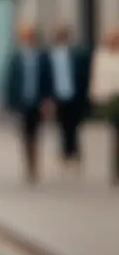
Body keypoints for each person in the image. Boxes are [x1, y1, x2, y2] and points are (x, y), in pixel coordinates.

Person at [3, 23, 52, 183]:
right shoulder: (17, 58)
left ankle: (35, 164)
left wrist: (48, 99)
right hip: (22, 101)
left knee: (36, 133)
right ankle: (28, 163)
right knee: (25, 134)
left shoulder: (42, 57)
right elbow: (11, 81)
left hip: (37, 101)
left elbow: (48, 80)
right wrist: (10, 103)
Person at [46, 24, 92, 174]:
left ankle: (74, 152)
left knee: (74, 125)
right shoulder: (51, 55)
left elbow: (84, 76)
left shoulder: (76, 54)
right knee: (62, 126)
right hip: (58, 95)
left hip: (74, 95)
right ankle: (65, 152)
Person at [89, 27, 119, 186]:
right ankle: (115, 169)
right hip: (111, 99)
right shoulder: (102, 56)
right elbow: (98, 77)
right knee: (115, 135)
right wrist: (97, 96)